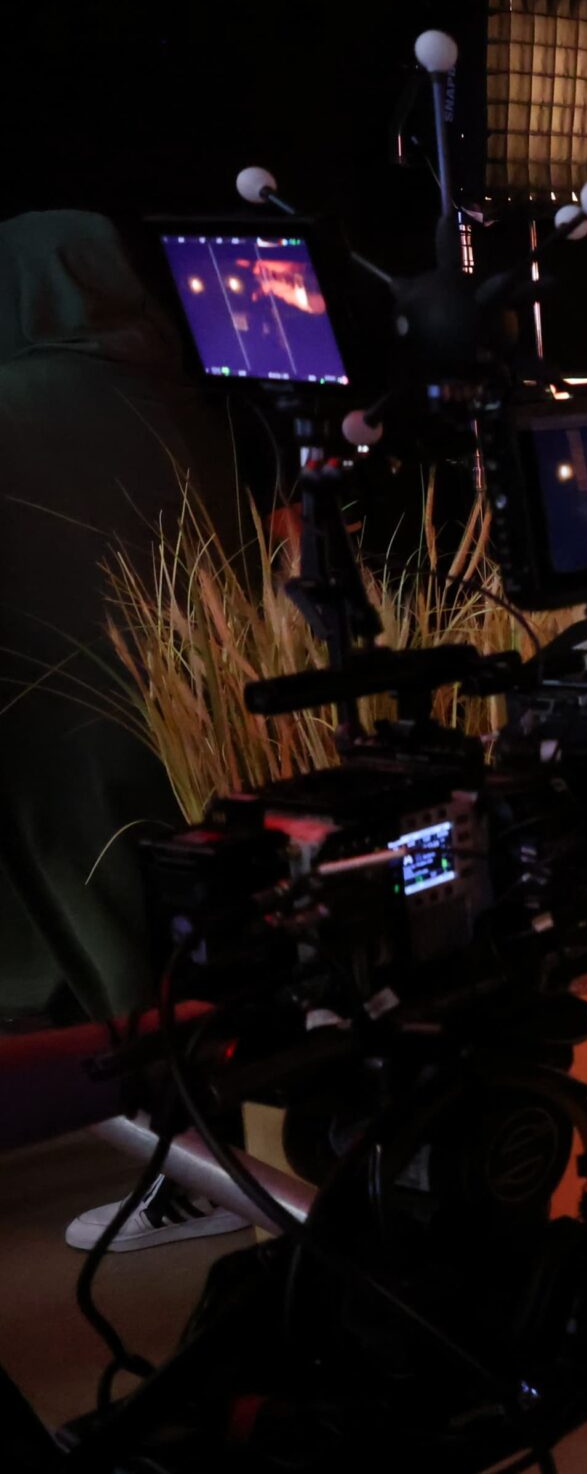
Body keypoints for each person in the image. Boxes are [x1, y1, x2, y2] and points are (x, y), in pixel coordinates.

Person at [0, 211, 252, 1242]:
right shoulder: (178, 398)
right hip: (198, 721)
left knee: (104, 935)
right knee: (195, 930)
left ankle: (179, 1169)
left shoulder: (12, 404)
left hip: (55, 727)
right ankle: (222, 1161)